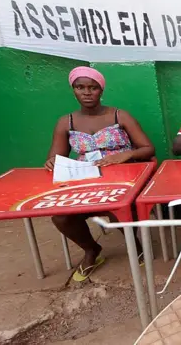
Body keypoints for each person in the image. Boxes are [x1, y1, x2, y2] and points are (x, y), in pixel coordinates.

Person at [45, 66, 155, 282]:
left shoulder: (119, 115)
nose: (87, 92)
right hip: (85, 181)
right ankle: (91, 250)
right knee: (61, 216)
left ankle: (135, 244)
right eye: (80, 87)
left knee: (118, 207)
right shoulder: (65, 122)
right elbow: (56, 157)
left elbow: (148, 149)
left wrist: (126, 155)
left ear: (101, 90)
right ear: (73, 90)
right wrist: (52, 161)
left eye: (92, 88)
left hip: (122, 179)